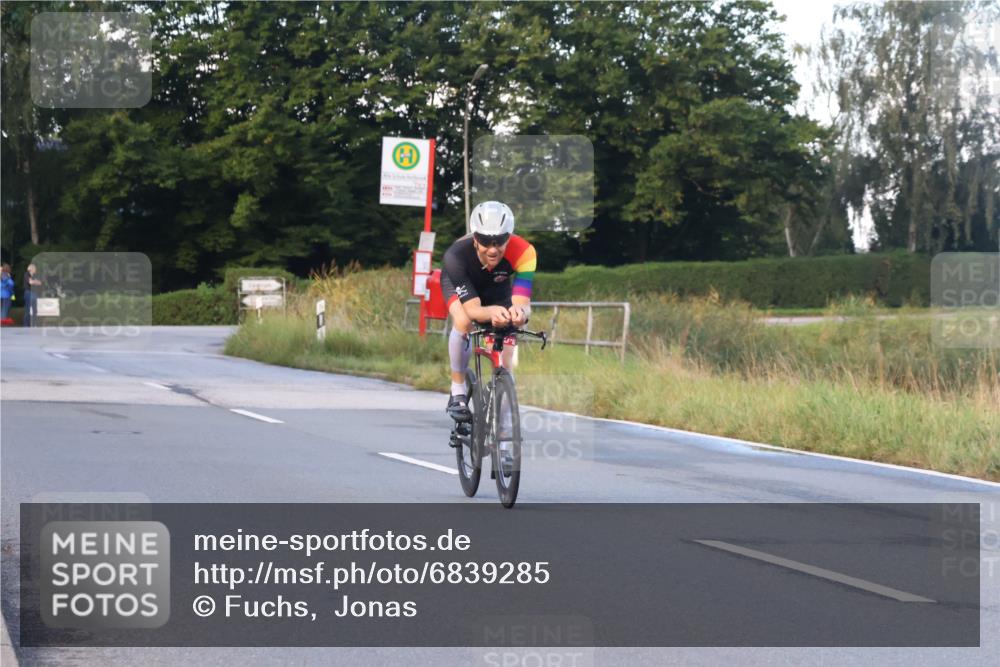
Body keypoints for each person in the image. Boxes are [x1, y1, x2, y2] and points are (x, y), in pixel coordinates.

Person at [441, 201, 536, 435]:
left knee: (506, 364)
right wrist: (492, 313)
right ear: (474, 237)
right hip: (460, 285)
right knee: (463, 321)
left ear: (509, 237)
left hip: (497, 289)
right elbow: (474, 311)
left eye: (500, 241)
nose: (492, 249)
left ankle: (503, 436)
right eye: (484, 241)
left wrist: (519, 314)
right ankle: (458, 389)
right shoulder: (456, 255)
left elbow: (522, 302)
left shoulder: (525, 252)